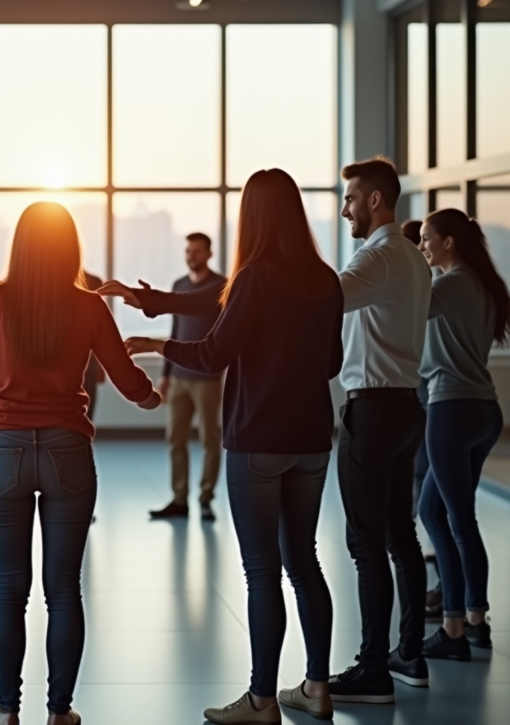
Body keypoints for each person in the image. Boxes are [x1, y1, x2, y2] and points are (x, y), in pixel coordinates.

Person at [0, 202, 163, 725]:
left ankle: (6, 710)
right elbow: (124, 377)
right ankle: (59, 712)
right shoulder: (90, 306)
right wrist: (150, 397)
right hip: (67, 451)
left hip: (3, 451)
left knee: (9, 584)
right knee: (64, 588)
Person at [125, 170, 343, 724]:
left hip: (259, 442)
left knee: (262, 571)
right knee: (306, 563)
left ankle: (262, 701)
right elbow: (334, 363)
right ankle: (317, 687)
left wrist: (155, 344)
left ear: (253, 216)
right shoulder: (324, 279)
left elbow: (213, 354)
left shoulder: (254, 278)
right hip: (314, 440)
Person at [327, 157, 432, 702]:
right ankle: (409, 654)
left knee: (366, 543)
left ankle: (372, 670)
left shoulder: (379, 255)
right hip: (405, 408)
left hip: (373, 411)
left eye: (349, 199)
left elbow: (325, 300)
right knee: (398, 536)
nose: (343, 208)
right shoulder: (412, 258)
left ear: (374, 200)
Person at [416, 209, 510, 661]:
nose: (422, 246)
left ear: (449, 242)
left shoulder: (450, 284)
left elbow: (402, 310)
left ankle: (457, 626)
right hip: (483, 409)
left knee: (454, 520)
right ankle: (473, 622)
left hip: (452, 409)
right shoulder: (480, 285)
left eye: (425, 239)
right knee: (437, 512)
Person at [150, 233, 226, 523]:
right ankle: (179, 500)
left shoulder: (222, 286)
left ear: (209, 253)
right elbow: (175, 331)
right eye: (188, 251)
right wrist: (166, 375)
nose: (191, 256)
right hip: (179, 377)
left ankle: (206, 498)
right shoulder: (179, 287)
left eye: (196, 251)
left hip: (207, 378)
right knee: (175, 440)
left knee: (209, 439)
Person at [403, 219, 444, 621]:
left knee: (436, 495)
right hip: (421, 393)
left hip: (432, 396)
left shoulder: (433, 290)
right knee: (425, 486)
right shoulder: (425, 287)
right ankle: (446, 592)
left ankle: (449, 593)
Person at [82, 270, 106, 418]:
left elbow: (99, 327)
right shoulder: (44, 281)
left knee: (87, 416)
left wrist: (100, 364)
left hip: (88, 365)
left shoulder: (93, 283)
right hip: (55, 367)